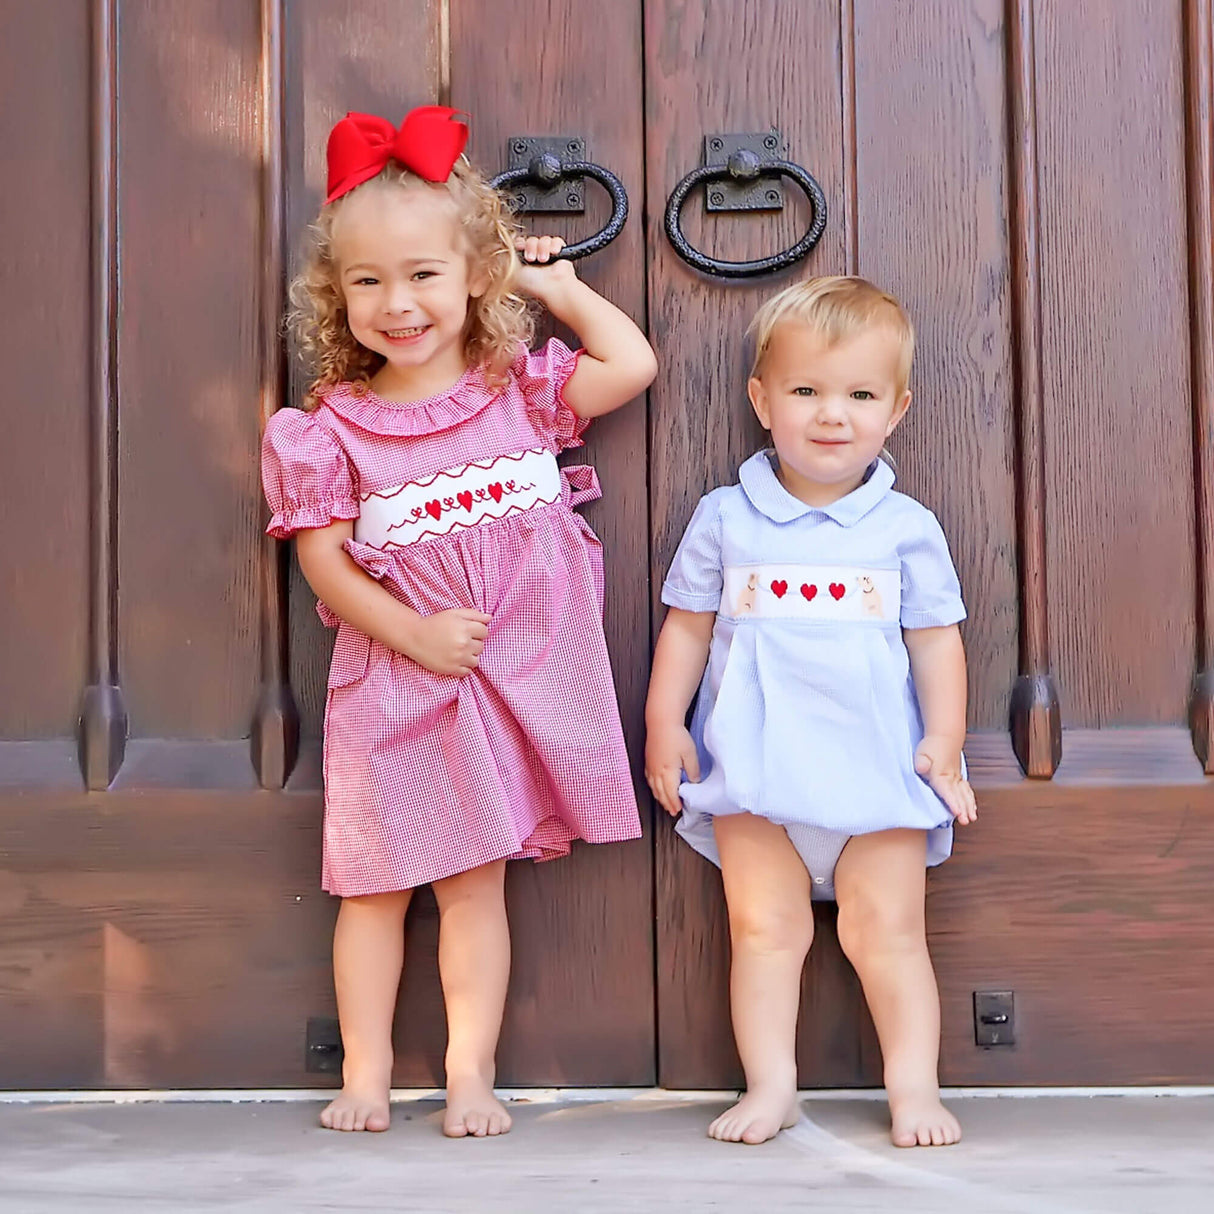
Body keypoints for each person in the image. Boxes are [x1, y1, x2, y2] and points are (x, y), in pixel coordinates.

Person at [261, 107, 656, 1136]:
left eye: (424, 274)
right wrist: (411, 633)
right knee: (375, 887)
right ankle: (363, 1071)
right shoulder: (331, 426)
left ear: (474, 274)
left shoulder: (513, 393)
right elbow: (321, 560)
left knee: (475, 888)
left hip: (509, 676)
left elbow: (631, 366)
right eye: (368, 281)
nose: (398, 303)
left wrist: (555, 288)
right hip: (397, 679)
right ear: (334, 295)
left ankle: (470, 1073)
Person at [645, 276, 975, 1149]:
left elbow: (937, 642)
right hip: (755, 774)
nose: (833, 415)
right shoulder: (726, 517)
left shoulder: (905, 527)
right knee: (762, 931)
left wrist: (943, 743)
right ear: (762, 400)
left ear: (895, 411)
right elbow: (685, 631)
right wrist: (663, 724)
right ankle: (772, 1086)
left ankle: (914, 1088)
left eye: (860, 395)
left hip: (876, 771)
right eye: (807, 391)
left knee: (889, 934)